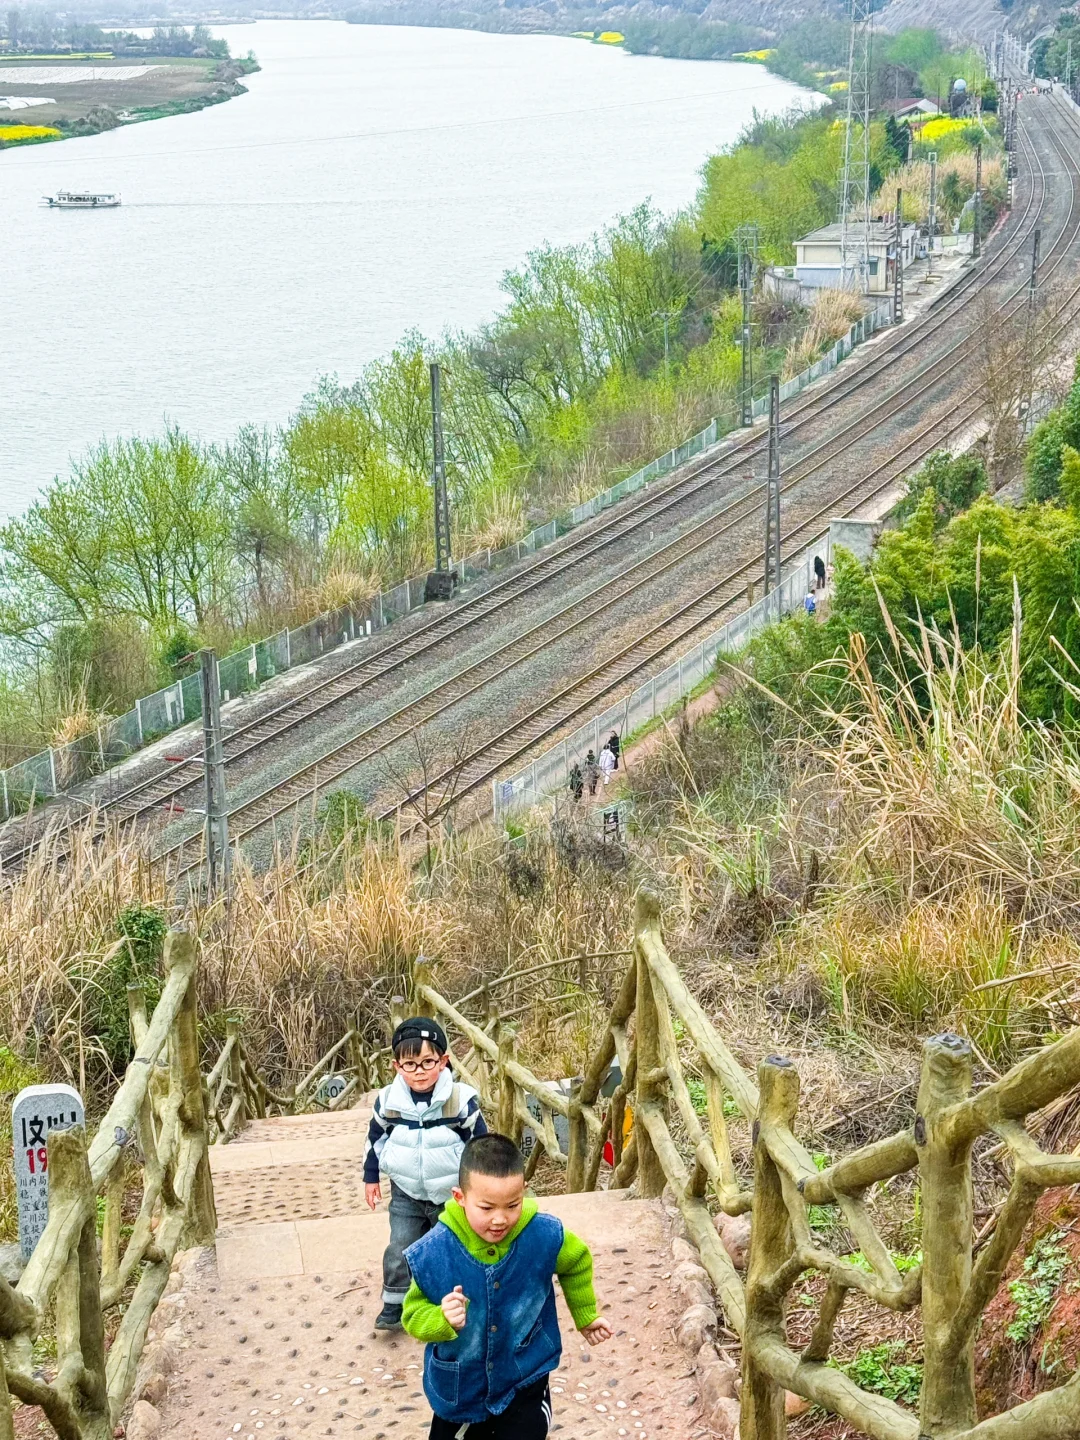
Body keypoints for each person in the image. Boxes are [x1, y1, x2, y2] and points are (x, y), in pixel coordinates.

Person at [402, 1133, 613, 1438]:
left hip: (524, 1380)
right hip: (461, 1389)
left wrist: (586, 1314)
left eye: (512, 1205)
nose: (500, 1219)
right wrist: (440, 1319)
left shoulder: (542, 1234)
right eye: (486, 1208)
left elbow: (576, 1260)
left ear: (524, 1191)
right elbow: (411, 1314)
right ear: (460, 1198)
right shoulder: (432, 1253)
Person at [364, 1017, 488, 1332]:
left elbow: (480, 1143)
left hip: (452, 1192)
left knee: (452, 1244)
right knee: (401, 1245)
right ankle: (395, 1303)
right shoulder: (389, 1102)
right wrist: (371, 1177)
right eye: (410, 1064)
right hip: (405, 1189)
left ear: (443, 1061)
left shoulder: (460, 1100)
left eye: (427, 1062)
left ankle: (458, 1302)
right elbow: (375, 1139)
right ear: (396, 1066)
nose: (419, 1071)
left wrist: (482, 1183)